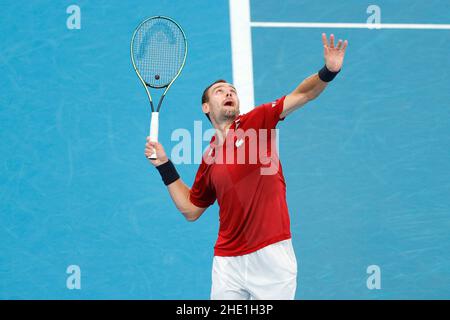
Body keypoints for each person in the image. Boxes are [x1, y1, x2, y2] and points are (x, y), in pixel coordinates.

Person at [144, 33, 348, 299]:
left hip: (271, 255)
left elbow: (304, 94)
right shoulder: (208, 158)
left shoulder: (257, 121)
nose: (229, 92)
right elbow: (191, 209)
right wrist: (164, 165)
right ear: (206, 107)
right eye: (220, 91)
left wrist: (328, 71)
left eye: (232, 91)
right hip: (228, 261)